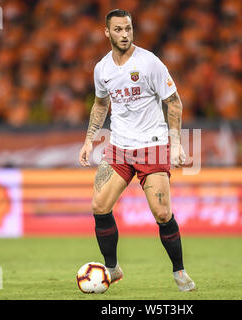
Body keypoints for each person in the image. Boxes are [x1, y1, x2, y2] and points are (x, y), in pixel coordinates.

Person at [78, 9, 195, 292]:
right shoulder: (102, 68)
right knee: (99, 206)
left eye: (128, 28)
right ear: (107, 32)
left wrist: (176, 143)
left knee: (163, 214)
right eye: (118, 29)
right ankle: (112, 268)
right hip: (118, 147)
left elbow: (175, 102)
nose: (124, 34)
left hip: (152, 146)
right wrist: (89, 139)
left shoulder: (149, 63)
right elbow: (100, 104)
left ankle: (179, 271)